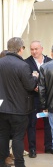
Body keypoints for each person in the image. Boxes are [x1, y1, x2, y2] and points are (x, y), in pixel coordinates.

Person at [0, 37, 38, 167]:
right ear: (20, 49)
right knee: (18, 137)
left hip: (1, 108)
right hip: (19, 109)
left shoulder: (0, 62)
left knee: (2, 136)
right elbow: (30, 86)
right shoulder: (23, 65)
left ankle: (2, 162)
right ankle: (20, 164)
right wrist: (34, 77)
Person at [25, 41, 53, 158]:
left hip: (48, 98)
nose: (34, 51)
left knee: (49, 122)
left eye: (36, 49)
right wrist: (34, 87)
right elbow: (25, 80)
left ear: (42, 48)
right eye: (32, 49)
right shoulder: (26, 63)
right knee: (32, 123)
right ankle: (32, 149)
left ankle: (49, 146)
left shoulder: (50, 62)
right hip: (33, 98)